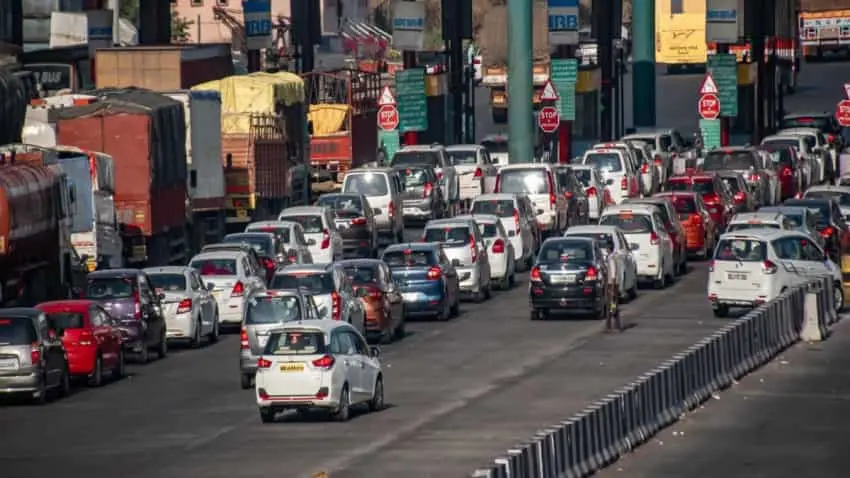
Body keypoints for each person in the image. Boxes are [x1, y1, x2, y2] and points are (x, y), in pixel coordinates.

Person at [604, 241, 621, 332]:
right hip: (613, 284)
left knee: (611, 304)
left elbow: (613, 274)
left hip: (612, 284)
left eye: (607, 248)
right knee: (613, 305)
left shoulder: (611, 258)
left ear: (609, 248)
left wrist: (613, 288)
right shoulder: (614, 257)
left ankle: (611, 325)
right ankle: (612, 324)